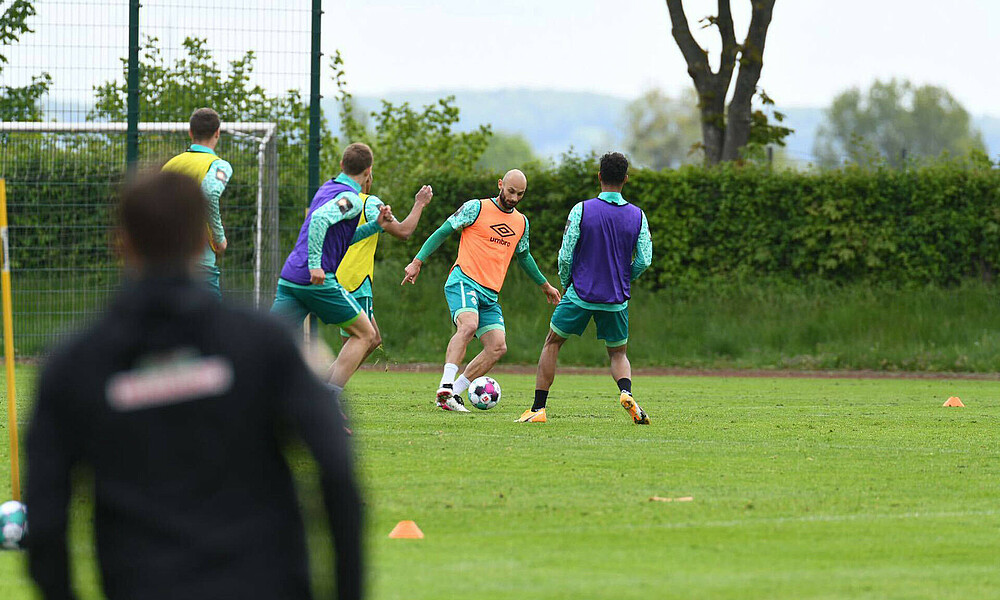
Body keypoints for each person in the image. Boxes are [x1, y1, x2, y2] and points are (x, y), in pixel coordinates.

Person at [26, 170, 363, 600]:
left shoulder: (73, 365)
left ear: (120, 243)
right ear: (198, 239)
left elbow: (46, 518)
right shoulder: (266, 344)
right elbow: (336, 469)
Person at [402, 169, 561, 412]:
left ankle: (452, 394)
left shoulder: (521, 222)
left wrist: (545, 285)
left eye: (520, 194)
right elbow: (443, 231)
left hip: (490, 294)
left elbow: (524, 256)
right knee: (468, 325)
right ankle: (445, 384)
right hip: (464, 280)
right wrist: (417, 262)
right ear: (500, 184)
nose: (514, 198)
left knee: (497, 346)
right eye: (510, 191)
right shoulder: (475, 208)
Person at [517, 152, 653, 424]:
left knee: (552, 343)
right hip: (616, 299)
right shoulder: (638, 215)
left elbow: (566, 255)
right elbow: (645, 260)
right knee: (618, 353)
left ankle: (538, 409)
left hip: (580, 294)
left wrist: (567, 282)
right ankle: (625, 392)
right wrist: (624, 278)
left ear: (599, 176)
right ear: (626, 179)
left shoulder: (581, 210)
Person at [271, 142, 394, 391]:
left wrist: (375, 226)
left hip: (290, 278)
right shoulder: (352, 199)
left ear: (341, 165)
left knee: (267, 340)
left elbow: (341, 238)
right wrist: (315, 265)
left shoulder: (326, 188)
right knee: (366, 334)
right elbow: (319, 220)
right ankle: (329, 399)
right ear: (368, 171)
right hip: (316, 281)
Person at [336, 175, 433, 358]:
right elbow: (403, 231)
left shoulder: (340, 201)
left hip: (338, 278)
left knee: (368, 340)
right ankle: (331, 377)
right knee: (362, 341)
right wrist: (420, 203)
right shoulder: (369, 203)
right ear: (367, 175)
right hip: (356, 282)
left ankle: (332, 376)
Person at [161, 107, 233, 298]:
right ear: (217, 133)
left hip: (164, 261)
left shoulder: (170, 165)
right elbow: (209, 193)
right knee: (211, 317)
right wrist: (219, 238)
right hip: (199, 262)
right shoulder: (218, 165)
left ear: (190, 132)